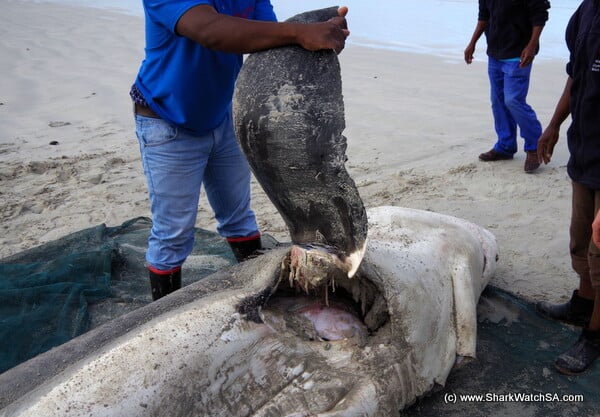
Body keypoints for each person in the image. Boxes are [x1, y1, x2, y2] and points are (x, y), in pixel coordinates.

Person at [130, 2, 350, 301]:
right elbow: (211, 31)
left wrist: (318, 40)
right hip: (167, 121)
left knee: (238, 217)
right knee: (173, 233)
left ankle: (263, 293)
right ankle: (158, 317)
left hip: (223, 118)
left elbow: (270, 40)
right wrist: (301, 33)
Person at [535, 0, 600, 375]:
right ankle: (584, 304)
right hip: (586, 150)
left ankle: (595, 333)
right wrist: (555, 124)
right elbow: (576, 75)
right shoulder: (586, 10)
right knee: (580, 239)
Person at [464, 0, 550, 173]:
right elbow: (484, 16)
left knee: (513, 100)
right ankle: (505, 146)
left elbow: (540, 14)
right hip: (495, 53)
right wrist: (472, 42)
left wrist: (532, 45)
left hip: (518, 54)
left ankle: (534, 146)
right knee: (498, 102)